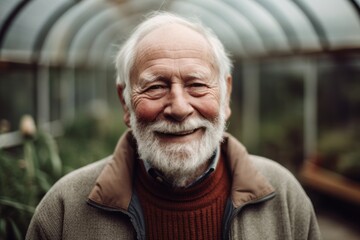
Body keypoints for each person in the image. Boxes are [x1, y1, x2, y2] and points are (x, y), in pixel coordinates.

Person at [26, 12, 321, 240]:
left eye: (196, 84)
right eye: (155, 86)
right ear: (125, 102)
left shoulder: (283, 197)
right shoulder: (65, 209)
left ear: (226, 95)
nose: (179, 108)